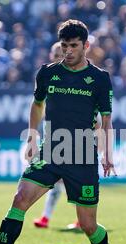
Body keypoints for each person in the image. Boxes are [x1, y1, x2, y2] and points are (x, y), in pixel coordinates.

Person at [0, 20, 116, 244]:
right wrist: (32, 136)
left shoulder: (99, 79)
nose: (68, 51)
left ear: (86, 46)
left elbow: (106, 120)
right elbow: (37, 104)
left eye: (74, 46)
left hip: (82, 156)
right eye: (64, 46)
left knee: (88, 225)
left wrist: (108, 154)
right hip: (51, 152)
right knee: (20, 199)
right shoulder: (47, 73)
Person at [33, 41, 81, 230]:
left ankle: (80, 218)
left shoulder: (77, 77)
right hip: (52, 131)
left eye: (58, 55)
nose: (56, 58)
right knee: (58, 178)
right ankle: (46, 217)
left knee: (71, 178)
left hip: (74, 135)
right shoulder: (48, 75)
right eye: (54, 56)